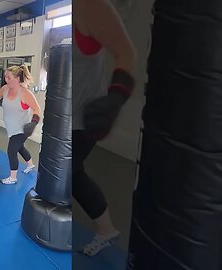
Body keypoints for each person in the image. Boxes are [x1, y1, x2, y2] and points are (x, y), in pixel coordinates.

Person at [73, 0, 137, 256]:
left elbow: (127, 53)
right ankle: (106, 228)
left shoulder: (90, 5)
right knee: (74, 176)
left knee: (68, 173)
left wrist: (115, 99)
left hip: (84, 120)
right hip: (63, 118)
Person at [0, 65, 41, 185]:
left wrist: (33, 123)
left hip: (22, 129)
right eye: (5, 77)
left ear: (17, 79)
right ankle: (30, 164)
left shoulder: (25, 93)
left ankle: (13, 177)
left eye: (9, 77)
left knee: (11, 150)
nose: (6, 80)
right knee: (20, 147)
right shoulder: (5, 89)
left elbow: (37, 109)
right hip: (11, 127)